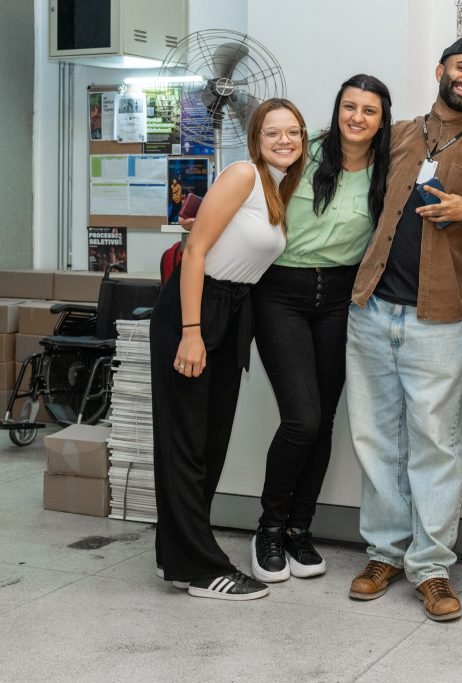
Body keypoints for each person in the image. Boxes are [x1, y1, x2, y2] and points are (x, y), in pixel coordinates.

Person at [345, 37, 462, 621]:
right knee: (375, 439)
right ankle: (384, 554)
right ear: (442, 70)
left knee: (435, 445)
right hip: (371, 308)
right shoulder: (395, 133)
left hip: (440, 315)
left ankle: (433, 567)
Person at [150, 98, 308, 601]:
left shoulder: (276, 189)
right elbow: (195, 250)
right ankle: (200, 568)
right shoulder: (242, 174)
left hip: (231, 310)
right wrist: (192, 331)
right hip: (198, 308)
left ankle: (178, 559)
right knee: (186, 442)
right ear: (256, 140)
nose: (285, 141)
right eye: (274, 133)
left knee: (208, 443)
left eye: (294, 133)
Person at [250, 75, 392, 584]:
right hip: (280, 293)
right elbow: (253, 182)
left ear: (382, 119)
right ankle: (268, 528)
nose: (357, 117)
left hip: (340, 297)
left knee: (324, 418)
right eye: (348, 106)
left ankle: (298, 530)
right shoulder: (302, 150)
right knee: (302, 419)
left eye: (369, 110)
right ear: (336, 111)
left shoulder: (387, 169)